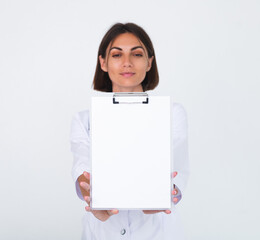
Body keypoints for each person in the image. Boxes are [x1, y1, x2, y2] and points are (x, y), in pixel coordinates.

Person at [70, 22, 189, 240]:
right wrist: (92, 198)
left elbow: (178, 170)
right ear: (103, 63)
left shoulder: (172, 113)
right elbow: (82, 169)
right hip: (103, 232)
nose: (127, 63)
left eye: (136, 54)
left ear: (149, 62)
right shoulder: (84, 119)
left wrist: (167, 194)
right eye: (116, 55)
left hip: (157, 231)